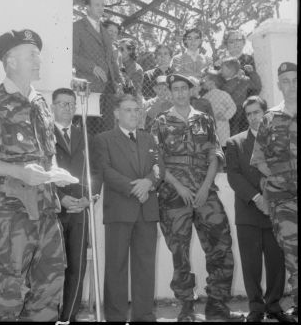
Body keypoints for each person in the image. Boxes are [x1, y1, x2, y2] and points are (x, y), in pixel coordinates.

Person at [0, 29, 74, 321]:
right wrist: (20, 173)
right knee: (7, 292)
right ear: (10, 60)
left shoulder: (41, 104)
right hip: (9, 213)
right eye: (32, 54)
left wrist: (55, 174)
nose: (39, 60)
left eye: (39, 54)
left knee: (50, 288)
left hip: (46, 211)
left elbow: (45, 157)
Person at [151, 74, 242, 322]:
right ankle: (186, 306)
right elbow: (156, 162)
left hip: (205, 194)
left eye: (184, 88)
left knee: (221, 248)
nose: (180, 92)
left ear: (191, 91)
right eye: (175, 89)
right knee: (179, 252)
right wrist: (179, 186)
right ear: (170, 92)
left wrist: (204, 187)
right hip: (174, 196)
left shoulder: (204, 119)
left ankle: (217, 304)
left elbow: (214, 155)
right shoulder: (160, 122)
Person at [93, 94, 161, 322]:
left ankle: (144, 316)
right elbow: (105, 171)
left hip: (147, 212)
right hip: (120, 211)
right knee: (116, 267)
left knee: (145, 267)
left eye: (136, 110)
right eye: (128, 110)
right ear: (116, 113)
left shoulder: (149, 138)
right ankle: (115, 317)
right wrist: (136, 188)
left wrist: (149, 182)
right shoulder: (104, 139)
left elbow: (159, 166)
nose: (134, 114)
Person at [226, 96, 292, 323]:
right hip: (248, 212)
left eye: (257, 112)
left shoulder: (278, 140)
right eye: (249, 114)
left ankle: (274, 305)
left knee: (276, 262)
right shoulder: (235, 142)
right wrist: (257, 197)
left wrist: (271, 199)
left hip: (276, 211)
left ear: (266, 114)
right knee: (251, 263)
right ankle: (255, 307)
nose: (254, 117)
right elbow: (234, 176)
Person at [251, 62, 298, 319]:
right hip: (284, 200)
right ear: (279, 85)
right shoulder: (269, 118)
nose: (291, 86)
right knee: (294, 257)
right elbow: (259, 160)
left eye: (295, 79)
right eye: (286, 81)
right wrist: (281, 178)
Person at [51, 87, 101, 322]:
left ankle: (67, 318)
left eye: (71, 104)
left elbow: (96, 172)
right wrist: (59, 197)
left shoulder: (85, 138)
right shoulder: (44, 134)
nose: (68, 108)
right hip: (52, 210)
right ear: (53, 107)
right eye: (62, 104)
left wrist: (88, 198)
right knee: (50, 268)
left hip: (80, 210)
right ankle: (47, 316)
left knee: (76, 267)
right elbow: (40, 171)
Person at [73, 0, 123, 131]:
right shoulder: (77, 27)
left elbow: (111, 60)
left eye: (102, 5)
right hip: (89, 87)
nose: (101, 8)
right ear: (87, 7)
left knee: (108, 130)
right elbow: (71, 55)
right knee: (89, 129)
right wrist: (92, 67)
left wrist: (118, 81)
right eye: (97, 5)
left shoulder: (105, 30)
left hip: (109, 89)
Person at [221, 57, 261, 136]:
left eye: (222, 69)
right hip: (226, 112)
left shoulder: (244, 80)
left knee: (237, 131)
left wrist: (252, 73)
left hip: (239, 111)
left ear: (230, 70)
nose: (220, 71)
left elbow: (256, 87)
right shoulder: (223, 82)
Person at [201, 70, 237, 149]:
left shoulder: (222, 94)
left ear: (212, 82)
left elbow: (232, 107)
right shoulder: (204, 97)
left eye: (205, 80)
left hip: (221, 124)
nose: (203, 82)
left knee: (222, 144)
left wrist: (225, 115)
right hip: (211, 126)